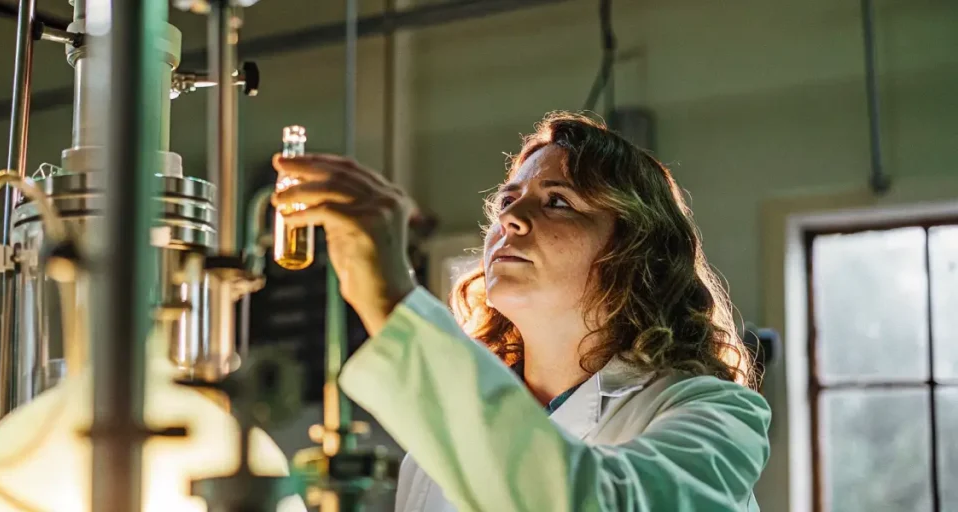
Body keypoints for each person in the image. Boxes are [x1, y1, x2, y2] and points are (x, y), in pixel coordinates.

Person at [272, 111, 770, 511]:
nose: (510, 218)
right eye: (508, 200)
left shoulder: (713, 414)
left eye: (558, 201)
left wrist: (395, 300)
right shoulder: (442, 435)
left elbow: (599, 501)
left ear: (638, 252)